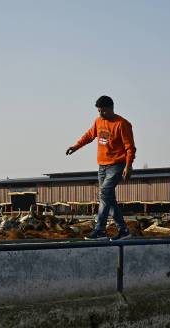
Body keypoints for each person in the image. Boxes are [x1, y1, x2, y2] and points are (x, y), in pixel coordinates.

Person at [66, 95, 136, 241]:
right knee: (108, 198)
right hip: (102, 166)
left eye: (103, 111)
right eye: (98, 111)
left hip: (117, 165)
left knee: (104, 193)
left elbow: (130, 148)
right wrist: (75, 146)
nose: (100, 114)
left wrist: (128, 166)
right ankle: (123, 230)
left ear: (111, 108)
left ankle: (100, 230)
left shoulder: (122, 124)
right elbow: (89, 135)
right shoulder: (99, 121)